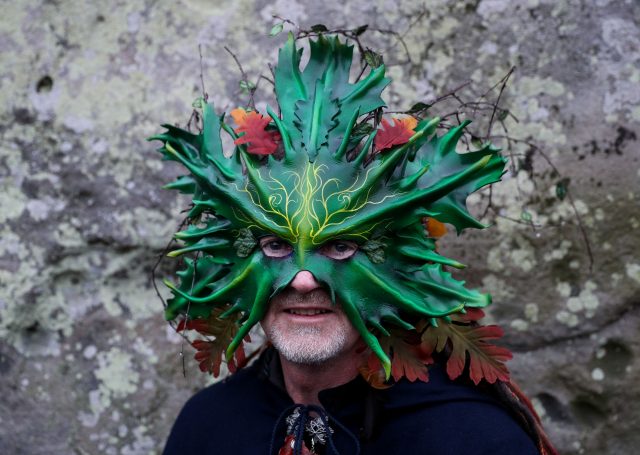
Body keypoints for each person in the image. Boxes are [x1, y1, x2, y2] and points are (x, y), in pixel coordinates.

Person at [153, 31, 557, 454]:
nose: (305, 279)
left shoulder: (473, 440)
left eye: (341, 247)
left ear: (396, 267)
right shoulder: (208, 426)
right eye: (274, 245)